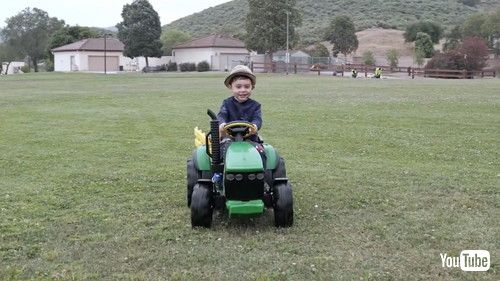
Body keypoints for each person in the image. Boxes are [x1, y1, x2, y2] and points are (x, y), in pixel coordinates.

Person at [217, 65, 262, 143]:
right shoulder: (227, 103)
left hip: (250, 139)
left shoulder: (255, 106)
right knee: (220, 150)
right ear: (231, 87)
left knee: (262, 152)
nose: (243, 90)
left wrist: (255, 126)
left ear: (252, 87)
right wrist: (222, 124)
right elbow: (222, 115)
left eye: (247, 87)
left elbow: (257, 119)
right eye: (238, 87)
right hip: (229, 139)